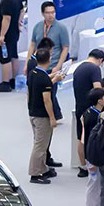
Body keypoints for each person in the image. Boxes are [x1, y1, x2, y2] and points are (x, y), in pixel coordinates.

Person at [27, 48, 62, 184]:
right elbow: (47, 100)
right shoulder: (43, 79)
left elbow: (32, 90)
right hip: (42, 116)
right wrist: (52, 118)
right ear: (49, 60)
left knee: (41, 143)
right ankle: (35, 173)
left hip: (33, 112)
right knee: (40, 146)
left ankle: (43, 168)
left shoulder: (33, 73)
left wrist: (53, 78)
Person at [73, 50, 104, 177]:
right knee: (94, 138)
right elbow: (97, 89)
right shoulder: (94, 69)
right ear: (100, 60)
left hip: (79, 108)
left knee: (81, 138)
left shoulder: (78, 68)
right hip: (92, 110)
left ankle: (83, 167)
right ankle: (93, 165)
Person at [80, 88, 104, 206]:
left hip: (91, 155)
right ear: (99, 100)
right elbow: (93, 140)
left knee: (99, 184)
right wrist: (92, 160)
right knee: (94, 185)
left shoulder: (88, 112)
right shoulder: (94, 118)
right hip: (93, 156)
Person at [28, 1, 70, 75]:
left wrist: (58, 67)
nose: (50, 15)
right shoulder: (37, 26)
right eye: (47, 13)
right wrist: (27, 63)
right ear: (42, 13)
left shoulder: (61, 28)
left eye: (53, 12)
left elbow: (65, 48)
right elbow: (32, 45)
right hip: (38, 66)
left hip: (53, 66)